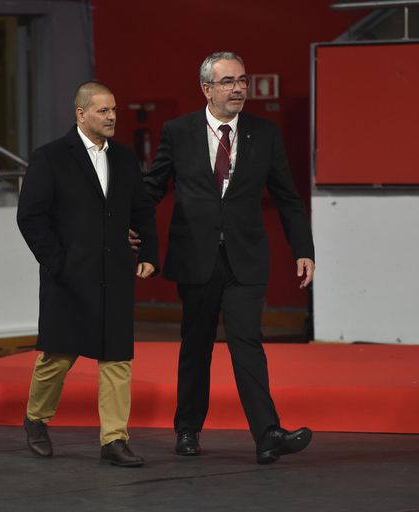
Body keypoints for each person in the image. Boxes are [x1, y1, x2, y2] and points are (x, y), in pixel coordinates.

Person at [142, 51, 315, 464]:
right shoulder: (178, 131)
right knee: (196, 345)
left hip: (246, 257)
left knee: (247, 342)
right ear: (206, 88)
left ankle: (267, 433)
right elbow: (151, 188)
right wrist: (124, 224)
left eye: (242, 80)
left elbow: (288, 199)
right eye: (227, 82)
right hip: (196, 256)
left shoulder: (264, 133)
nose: (238, 88)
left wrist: (303, 249)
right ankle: (187, 429)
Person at [17, 81, 158, 467]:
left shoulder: (126, 159)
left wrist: (148, 251)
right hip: (67, 277)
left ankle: (114, 440)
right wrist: (57, 263)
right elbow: (30, 217)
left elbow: (142, 209)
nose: (112, 117)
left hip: (114, 275)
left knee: (117, 361)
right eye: (103, 111)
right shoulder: (50, 158)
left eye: (114, 110)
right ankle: (35, 420)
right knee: (58, 357)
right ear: (81, 114)